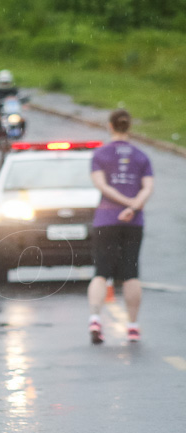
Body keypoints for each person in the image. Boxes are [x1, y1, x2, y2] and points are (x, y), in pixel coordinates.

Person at [86, 109, 154, 344]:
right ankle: (133, 325)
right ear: (129, 127)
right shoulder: (141, 156)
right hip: (133, 222)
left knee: (101, 272)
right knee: (131, 273)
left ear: (110, 126)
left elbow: (102, 186)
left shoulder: (100, 155)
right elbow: (147, 188)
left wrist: (123, 203)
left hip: (106, 219)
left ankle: (95, 318)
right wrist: (134, 206)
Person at [0, 69, 20, 141]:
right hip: (0, 112)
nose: (5, 85)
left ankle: (20, 135)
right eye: (3, 83)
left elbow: (19, 99)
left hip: (12, 112)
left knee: (23, 120)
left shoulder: (13, 90)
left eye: (6, 83)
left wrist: (23, 104)